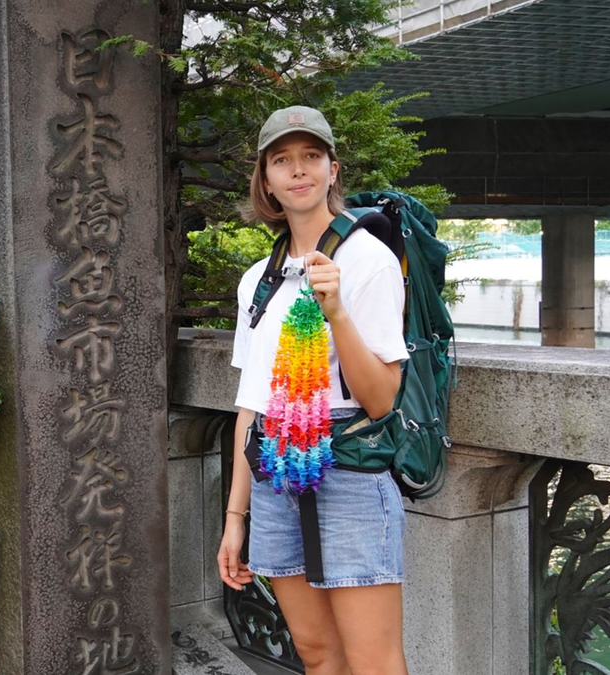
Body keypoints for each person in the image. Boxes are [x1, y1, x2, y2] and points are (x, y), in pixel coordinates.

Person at [217, 105, 410, 675]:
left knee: (373, 662)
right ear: (267, 181)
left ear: (332, 169)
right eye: (282, 160)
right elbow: (250, 408)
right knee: (317, 654)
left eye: (311, 157)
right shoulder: (259, 279)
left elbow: (383, 399)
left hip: (348, 471)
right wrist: (235, 518)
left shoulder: (368, 260)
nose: (297, 170)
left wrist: (337, 313)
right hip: (276, 475)